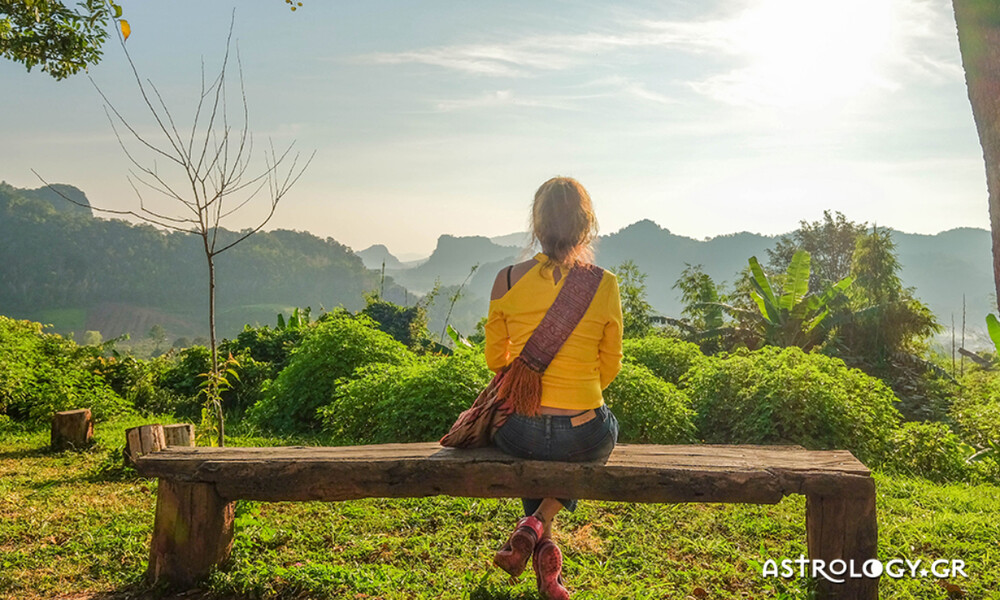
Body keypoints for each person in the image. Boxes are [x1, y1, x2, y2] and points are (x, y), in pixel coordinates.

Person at [485, 176, 623, 600]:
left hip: (520, 431)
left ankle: (538, 543)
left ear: (537, 226)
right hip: (583, 432)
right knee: (607, 431)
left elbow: (495, 360)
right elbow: (611, 364)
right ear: (585, 228)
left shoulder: (507, 280)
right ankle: (539, 525)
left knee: (536, 450)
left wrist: (531, 386)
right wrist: (578, 392)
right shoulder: (604, 283)